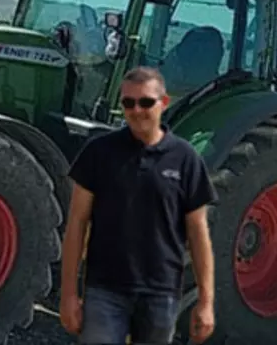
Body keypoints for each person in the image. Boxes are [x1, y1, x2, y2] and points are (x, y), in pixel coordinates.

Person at [59, 66, 219, 344]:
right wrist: (68, 294)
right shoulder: (98, 153)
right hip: (104, 291)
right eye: (128, 103)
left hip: (161, 294)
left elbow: (198, 232)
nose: (136, 110)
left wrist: (206, 301)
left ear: (164, 103)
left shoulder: (186, 159)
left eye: (145, 102)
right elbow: (76, 223)